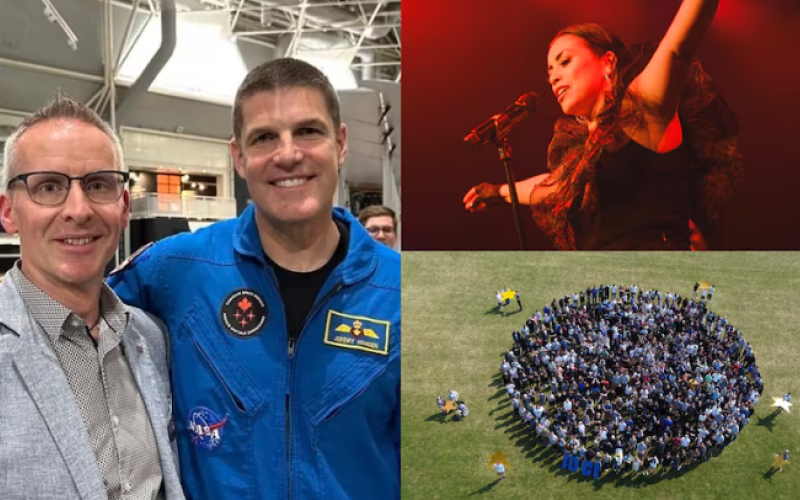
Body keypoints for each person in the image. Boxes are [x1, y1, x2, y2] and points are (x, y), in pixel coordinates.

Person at [108, 59, 400, 500]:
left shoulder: (399, 291)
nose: (287, 154)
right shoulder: (177, 270)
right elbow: (67, 318)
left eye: (308, 131)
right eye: (265, 137)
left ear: (340, 143)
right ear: (239, 158)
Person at [0, 95, 184, 499]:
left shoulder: (151, 338)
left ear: (123, 207)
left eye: (98, 184)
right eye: (48, 187)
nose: (78, 210)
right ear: (8, 211)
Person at [463, 0, 743, 250]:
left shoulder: (641, 108)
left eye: (564, 62)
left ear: (607, 62)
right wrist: (500, 192)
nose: (553, 78)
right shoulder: (580, 157)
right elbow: (549, 186)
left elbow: (676, 48)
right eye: (549, 72)